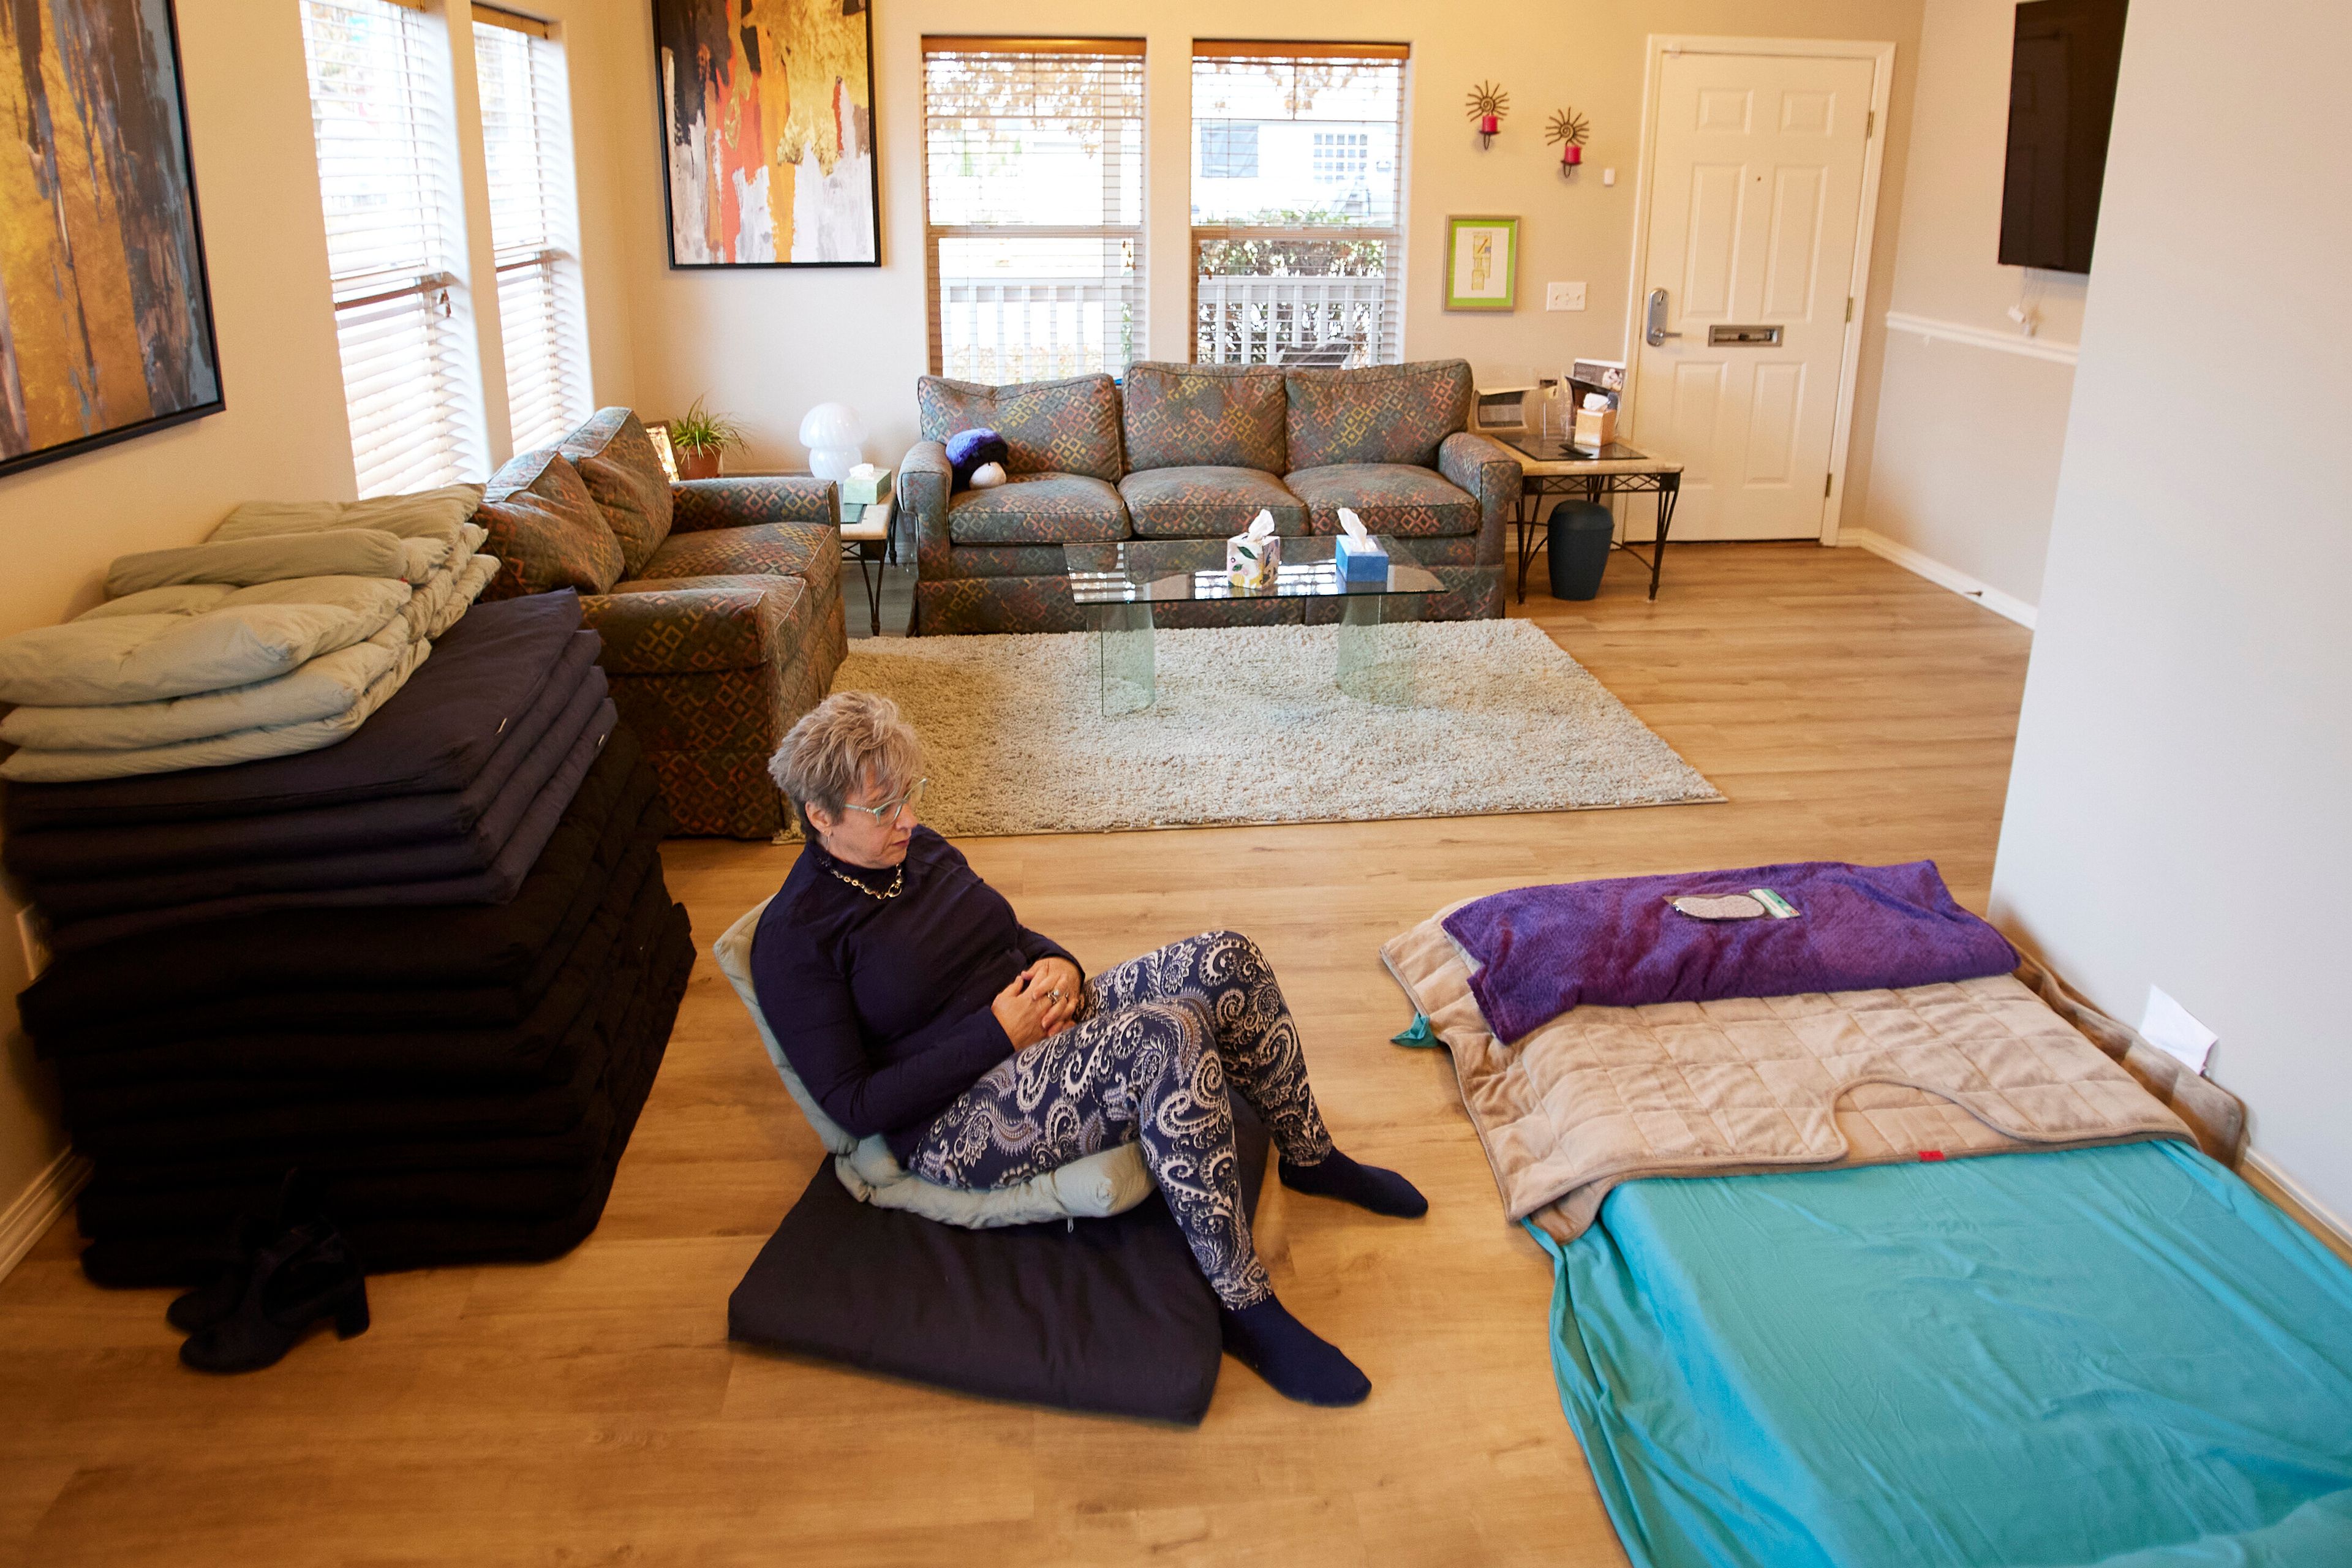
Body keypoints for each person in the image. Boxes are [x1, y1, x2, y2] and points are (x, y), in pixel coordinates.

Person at [749, 692, 1426, 1407]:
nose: (908, 819)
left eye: (909, 795)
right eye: (883, 807)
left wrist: (1064, 965)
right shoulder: (798, 937)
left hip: (1034, 1023)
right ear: (820, 815)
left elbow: (1006, 937)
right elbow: (854, 1105)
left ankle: (1311, 1156)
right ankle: (1242, 1302)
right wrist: (996, 1034)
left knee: (1229, 959)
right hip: (959, 1113)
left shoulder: (919, 848)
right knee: (1168, 1037)